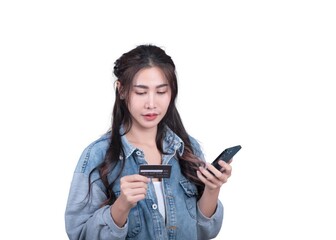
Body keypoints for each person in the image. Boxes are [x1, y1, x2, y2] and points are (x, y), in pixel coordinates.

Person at [64, 44, 233, 240]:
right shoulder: (98, 155)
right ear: (122, 90)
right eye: (141, 92)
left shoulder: (187, 149)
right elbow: (80, 235)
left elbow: (205, 233)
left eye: (161, 92)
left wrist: (212, 189)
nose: (151, 103)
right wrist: (120, 207)